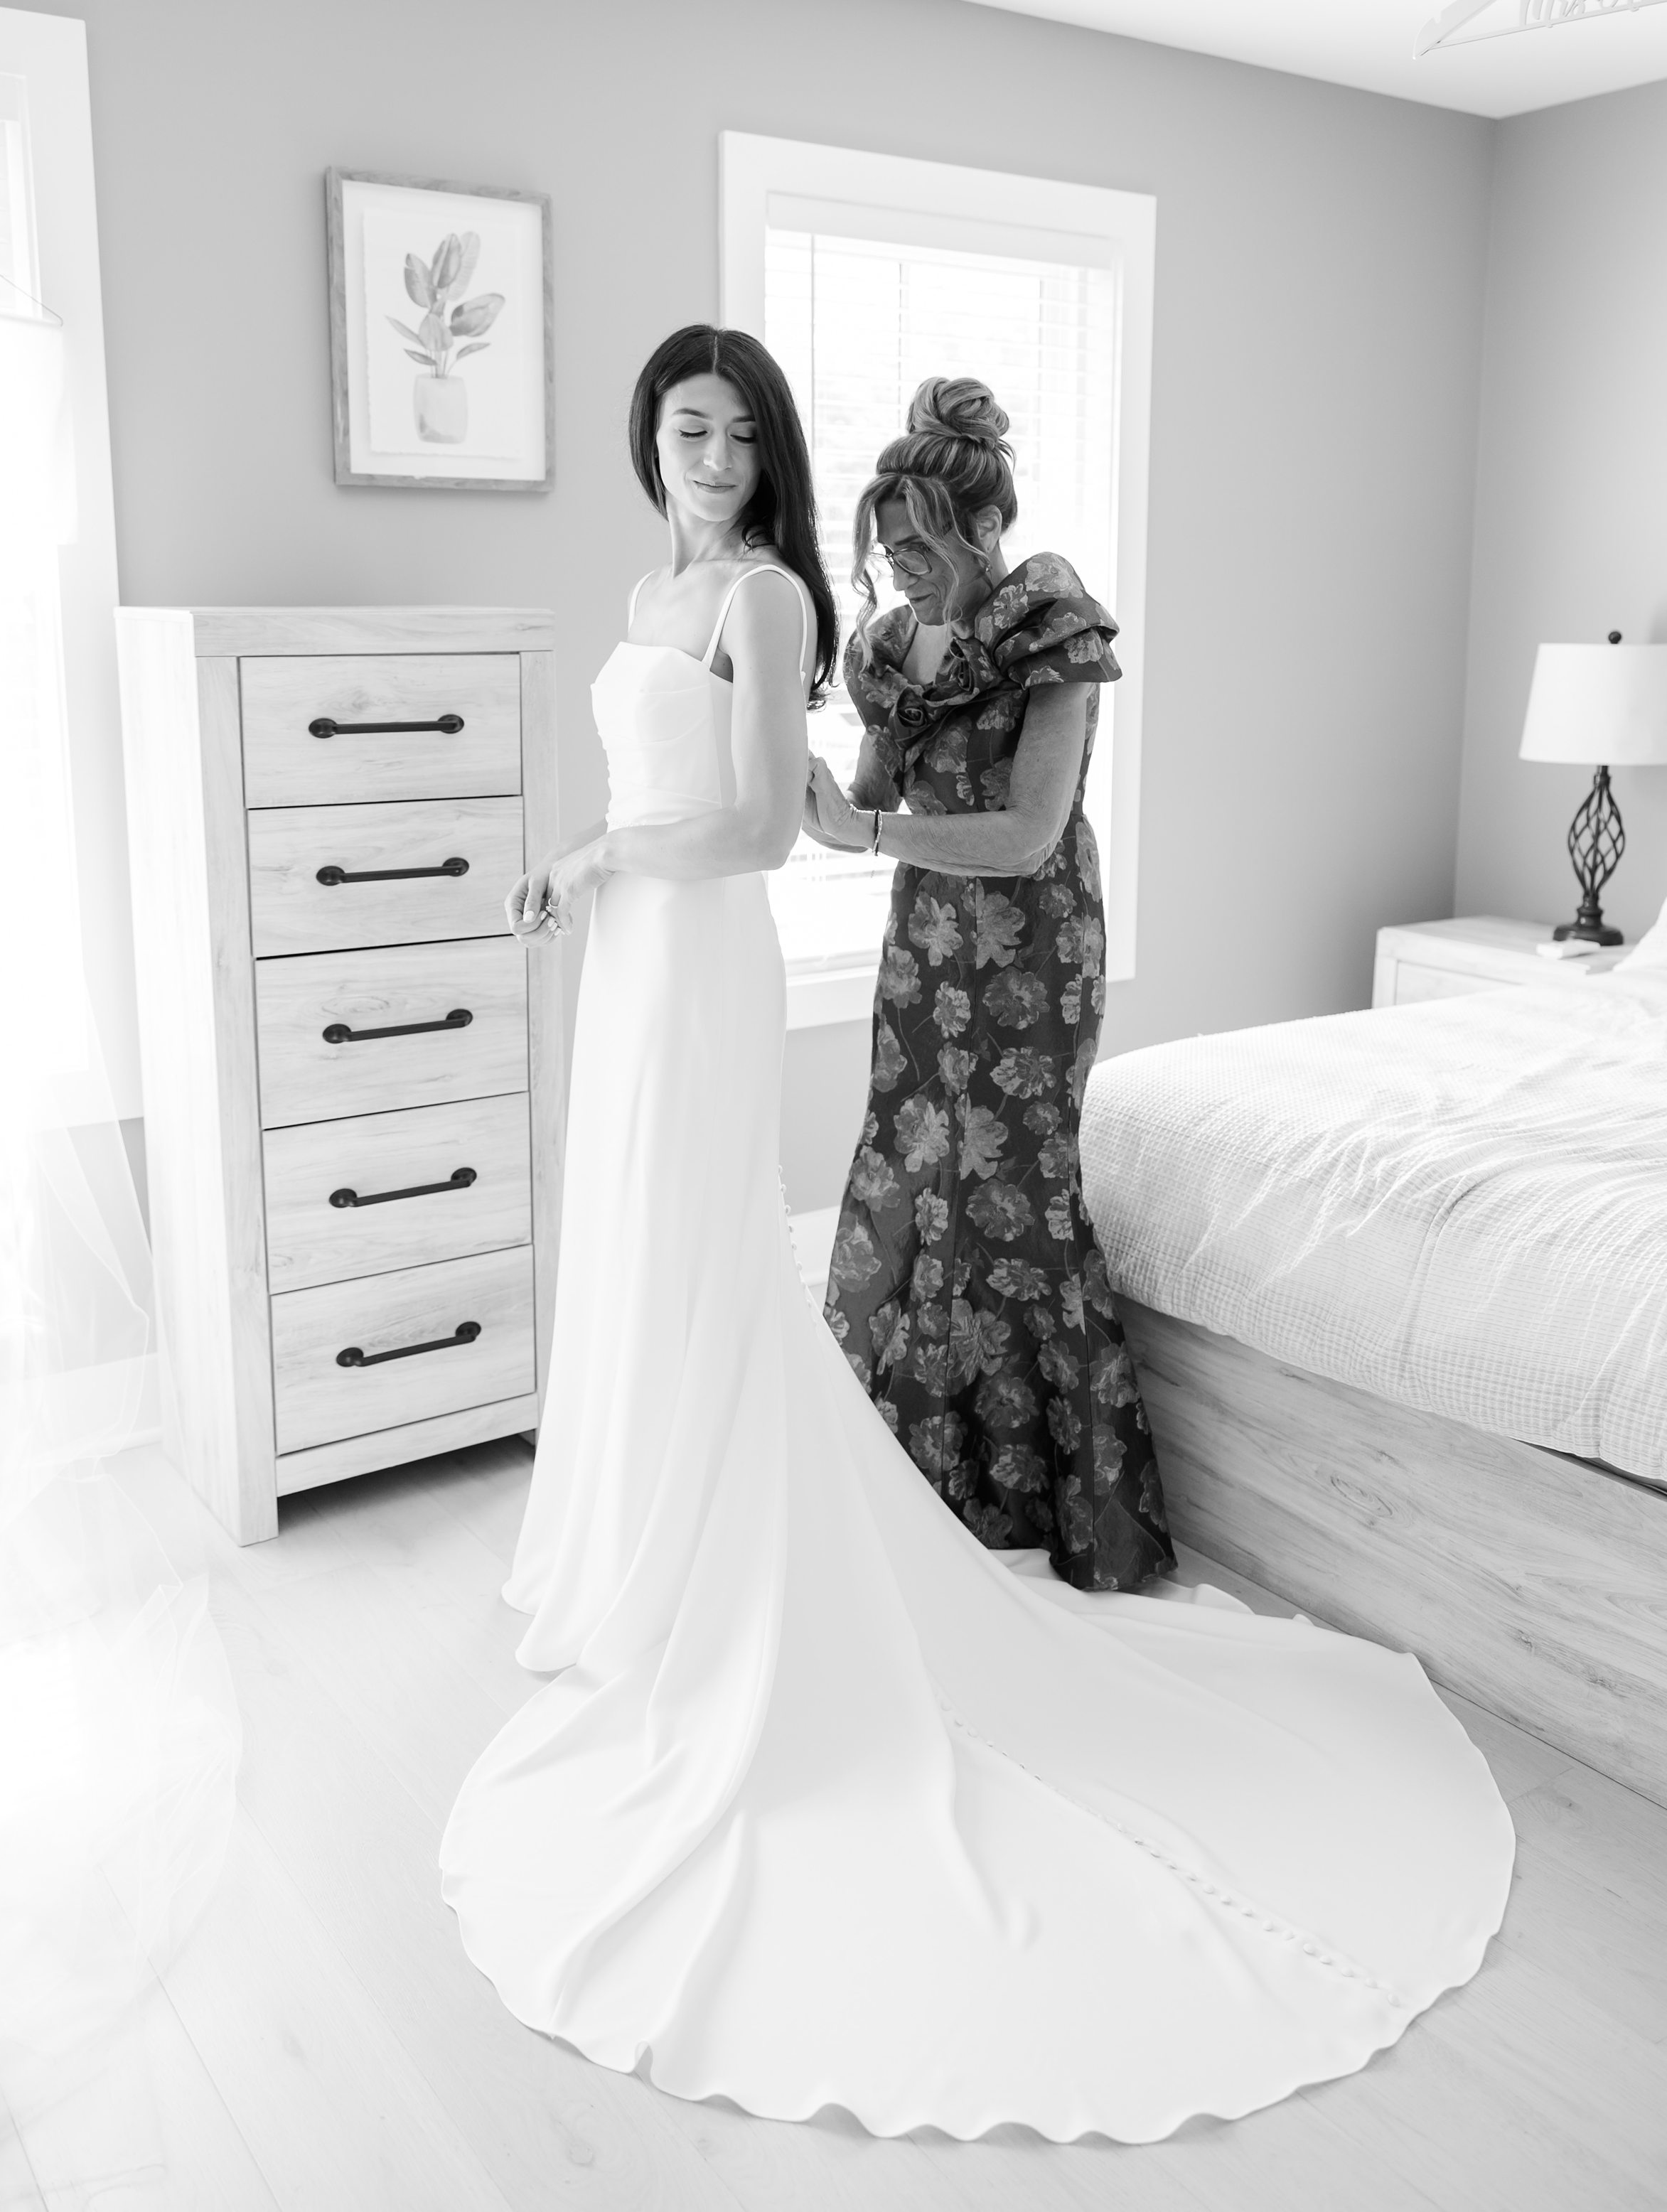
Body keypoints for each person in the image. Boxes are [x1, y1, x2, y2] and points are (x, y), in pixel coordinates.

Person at [439, 325, 1513, 2145]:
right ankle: (790, 1508)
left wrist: (687, 847)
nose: (709, 454)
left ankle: (987, 1515)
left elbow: (936, 826)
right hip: (781, 946)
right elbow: (799, 803)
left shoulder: (915, 616)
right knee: (823, 1218)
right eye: (679, 426)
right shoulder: (754, 607)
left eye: (732, 429)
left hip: (943, 939)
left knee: (931, 1215)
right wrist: (648, 847)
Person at [803, 379, 1169, 1590]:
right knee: (905, 1181)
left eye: (920, 544)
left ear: (982, 523)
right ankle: (910, 1492)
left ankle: (1057, 1509)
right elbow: (865, 800)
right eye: (886, 548)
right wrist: (797, 787)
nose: (900, 567)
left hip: (1034, 955)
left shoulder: (1048, 622)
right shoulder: (886, 649)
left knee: (1019, 1199)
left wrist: (867, 837)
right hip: (926, 952)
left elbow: (1025, 831)